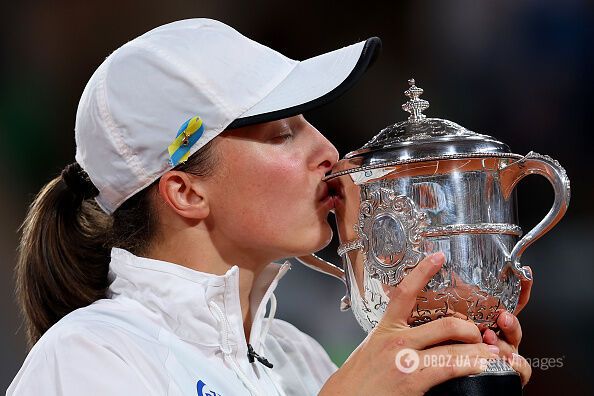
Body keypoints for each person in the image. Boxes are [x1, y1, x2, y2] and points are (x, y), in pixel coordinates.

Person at [7, 18, 532, 395]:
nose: (330, 152)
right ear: (185, 192)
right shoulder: (88, 357)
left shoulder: (297, 357)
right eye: (283, 133)